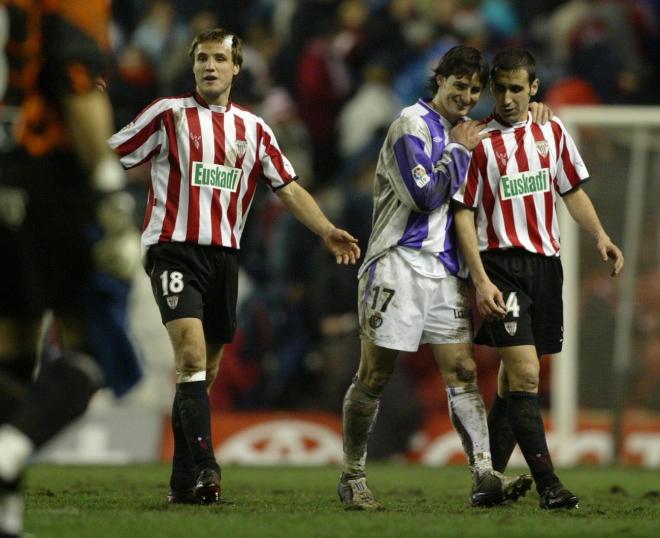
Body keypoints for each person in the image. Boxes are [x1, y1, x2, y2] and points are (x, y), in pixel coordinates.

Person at [108, 28, 361, 506]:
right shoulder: (167, 115)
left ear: (236, 68)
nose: (209, 66)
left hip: (225, 259)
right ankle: (207, 468)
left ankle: (184, 479)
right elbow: (113, 152)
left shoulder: (255, 129)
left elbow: (287, 188)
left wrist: (325, 230)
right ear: (193, 66)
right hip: (173, 248)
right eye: (202, 58)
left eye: (219, 59)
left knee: (205, 371)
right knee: (189, 354)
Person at [337, 45, 552, 510]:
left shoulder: (467, 132)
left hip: (444, 270)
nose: (467, 96)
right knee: (375, 374)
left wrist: (537, 112)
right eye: (460, 86)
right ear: (440, 81)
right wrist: (458, 148)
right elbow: (424, 195)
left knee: (463, 371)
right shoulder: (408, 125)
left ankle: (483, 472)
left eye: (475, 90)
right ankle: (353, 474)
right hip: (396, 262)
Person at [453, 48, 624, 510]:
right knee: (527, 374)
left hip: (546, 267)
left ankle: (484, 481)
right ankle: (550, 485)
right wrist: (479, 277)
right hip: (500, 267)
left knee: (513, 383)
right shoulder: (476, 142)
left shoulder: (551, 130)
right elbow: (463, 214)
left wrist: (600, 235)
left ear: (533, 89)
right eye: (499, 89)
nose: (506, 98)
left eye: (516, 89)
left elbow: (571, 190)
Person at [0, 1, 142, 537]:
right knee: (94, 349)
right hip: (46, 176)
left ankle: (4, 515)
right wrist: (109, 193)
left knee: (10, 351)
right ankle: (7, 451)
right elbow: (78, 81)